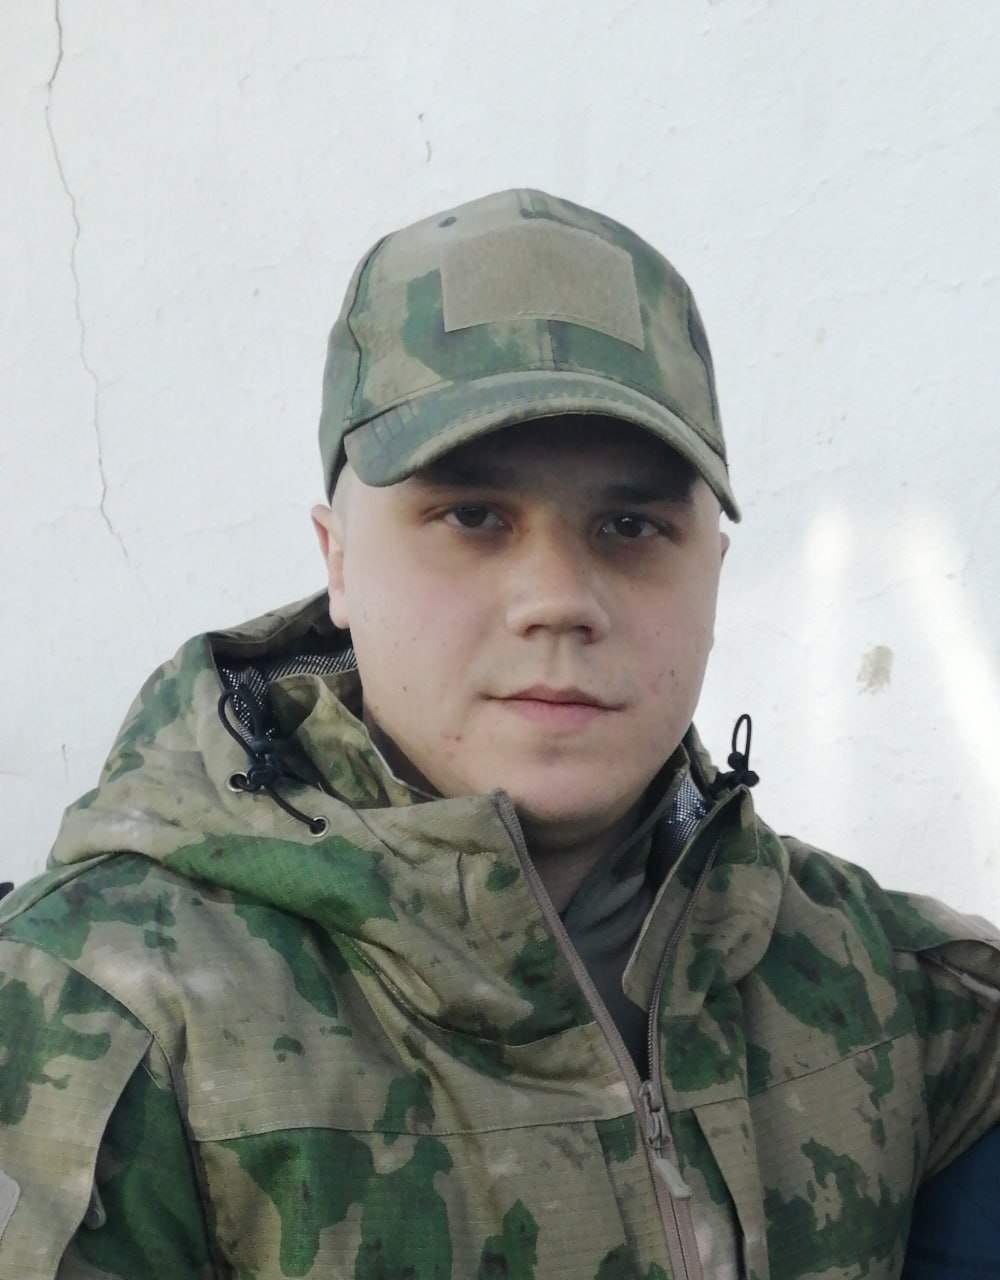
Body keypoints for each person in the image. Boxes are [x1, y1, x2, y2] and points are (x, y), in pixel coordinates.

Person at [0, 189, 997, 1280]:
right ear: (339, 562)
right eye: (473, 516)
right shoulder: (99, 1018)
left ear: (712, 573)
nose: (558, 598)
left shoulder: (895, 991)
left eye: (631, 525)